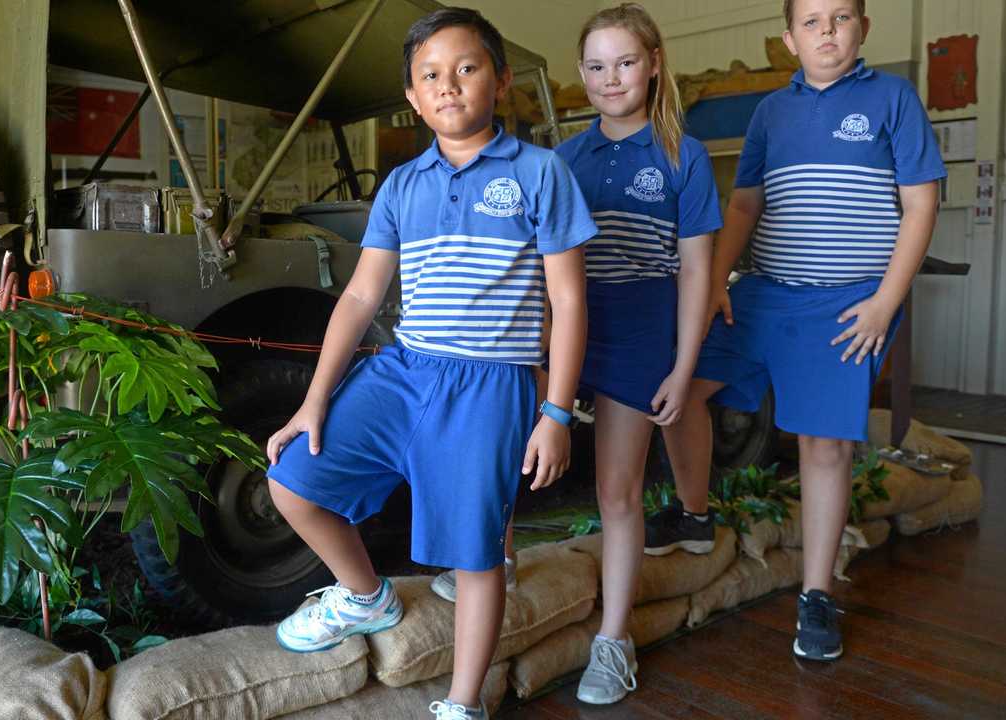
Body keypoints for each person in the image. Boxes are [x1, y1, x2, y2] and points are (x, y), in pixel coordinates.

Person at [264, 8, 593, 718]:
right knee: (293, 483)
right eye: (430, 75)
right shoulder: (402, 186)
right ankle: (364, 596)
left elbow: (568, 304)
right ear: (412, 97)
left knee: (475, 556)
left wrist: (556, 412)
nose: (449, 86)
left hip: (490, 386)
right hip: (404, 371)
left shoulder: (542, 174)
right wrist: (314, 399)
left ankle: (462, 703)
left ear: (500, 81)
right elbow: (359, 296)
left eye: (467, 68)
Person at [660, 0, 944, 662]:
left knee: (823, 445)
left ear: (863, 28)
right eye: (812, 21)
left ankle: (816, 595)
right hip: (764, 294)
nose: (828, 31)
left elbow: (921, 204)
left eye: (841, 17)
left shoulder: (892, 98)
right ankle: (694, 514)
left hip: (848, 303)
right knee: (674, 387)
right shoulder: (771, 112)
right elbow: (744, 203)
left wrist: (885, 304)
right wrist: (711, 292)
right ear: (788, 38)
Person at [555, 3, 720, 704]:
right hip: (568, 327)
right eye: (596, 66)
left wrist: (682, 367)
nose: (610, 78)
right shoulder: (563, 159)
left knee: (616, 490)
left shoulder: (682, 153)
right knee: (514, 455)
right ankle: (489, 573)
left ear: (653, 64)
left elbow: (697, 272)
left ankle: (612, 641)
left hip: (640, 331)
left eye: (625, 62)